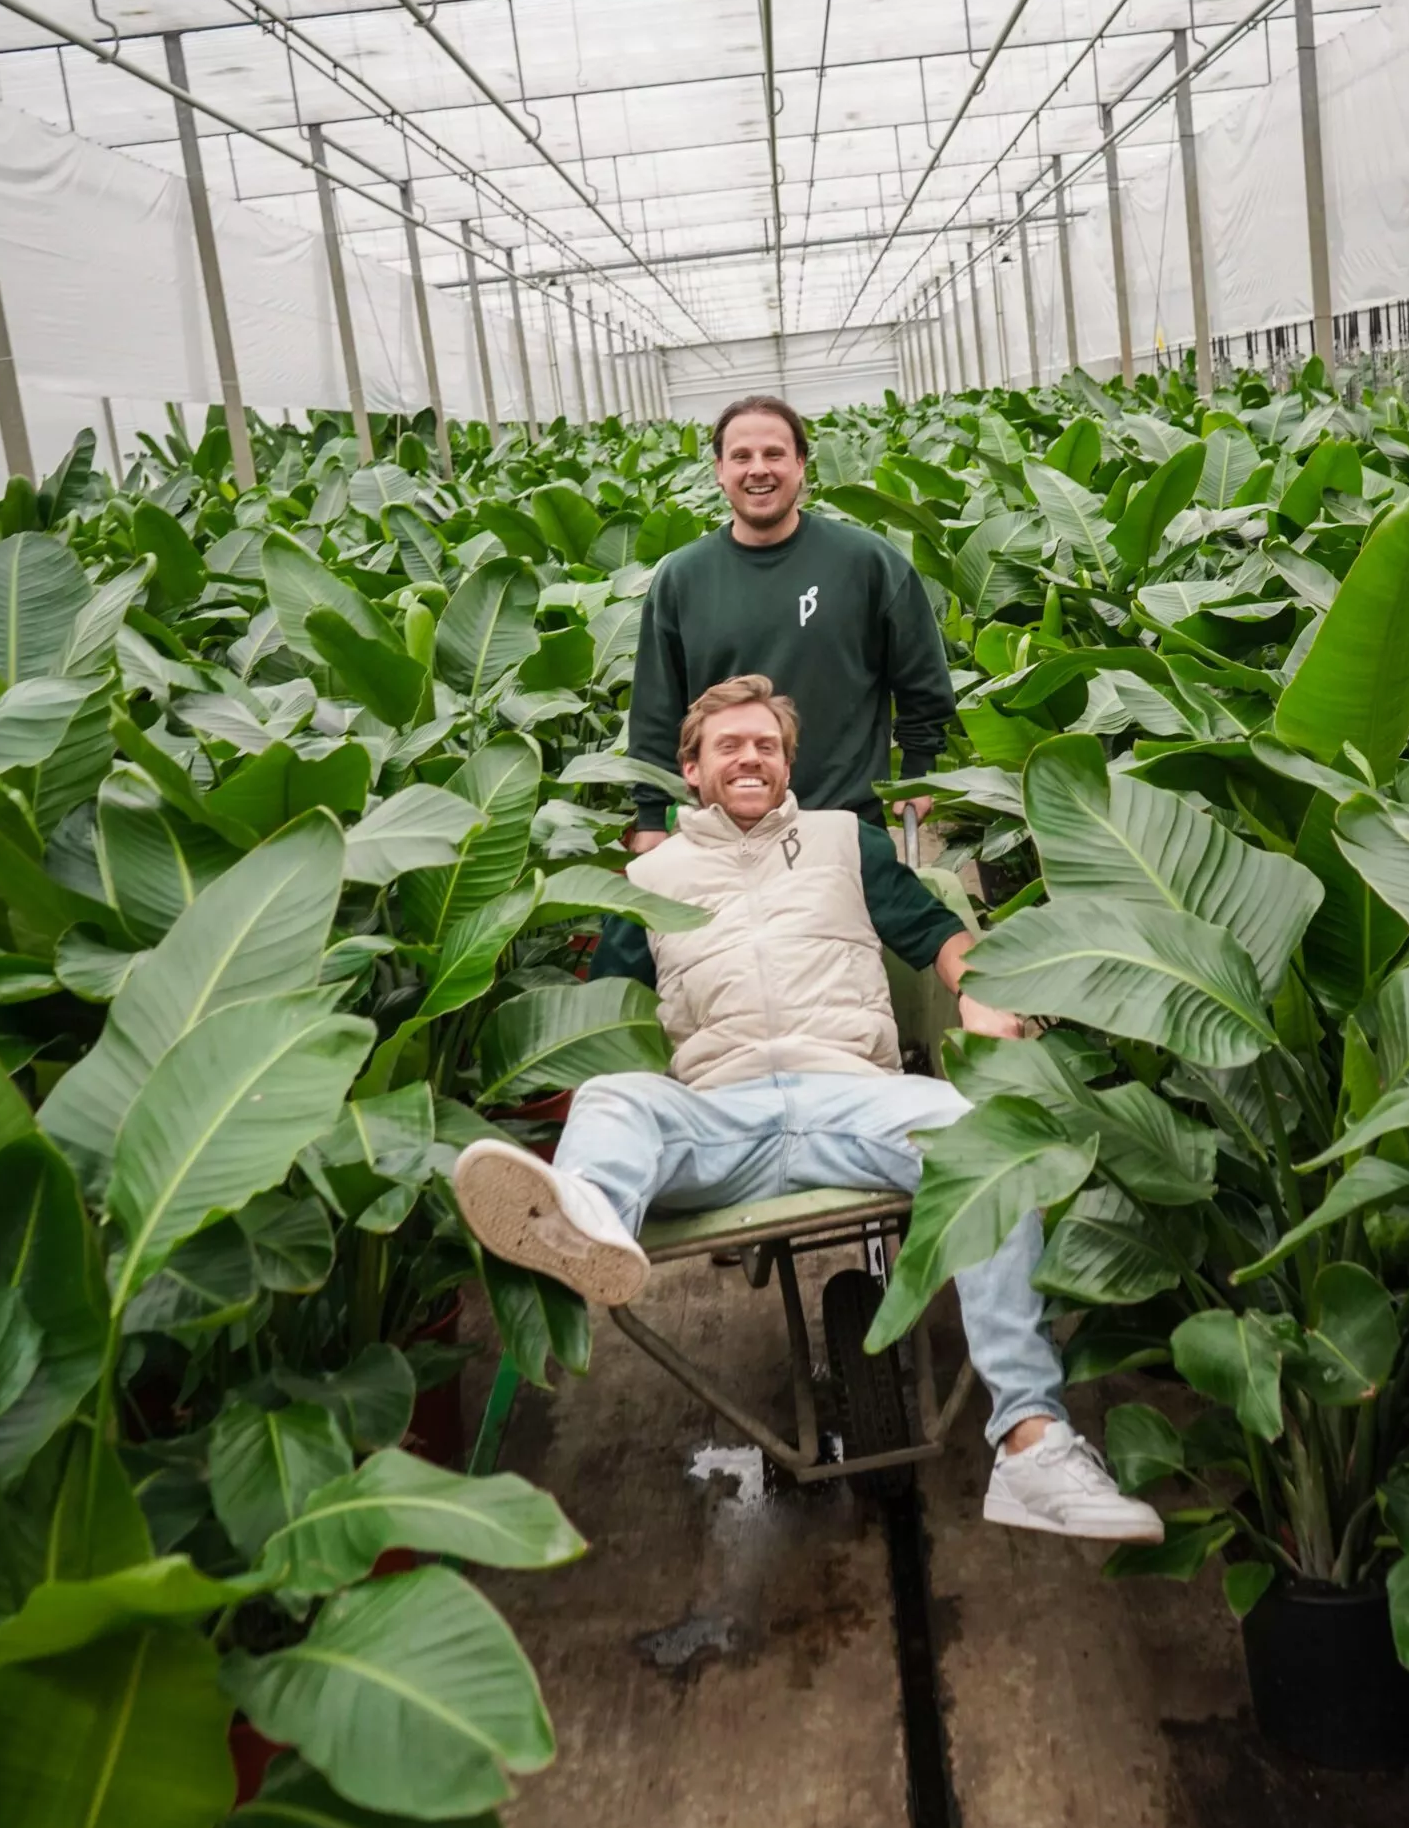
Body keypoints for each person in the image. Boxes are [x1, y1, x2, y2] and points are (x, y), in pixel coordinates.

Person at [456, 676, 1163, 1544]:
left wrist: (983, 996)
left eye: (766, 745)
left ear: (787, 763)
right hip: (719, 1112)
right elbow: (593, 1016)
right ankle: (589, 1220)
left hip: (854, 1099)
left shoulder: (845, 843)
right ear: (692, 769)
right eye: (729, 745)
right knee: (613, 1099)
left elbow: (937, 936)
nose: (749, 757)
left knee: (989, 1147)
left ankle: (1032, 1445)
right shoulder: (647, 878)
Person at [624, 395, 955, 855]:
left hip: (843, 824)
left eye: (774, 454)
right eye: (741, 456)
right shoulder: (683, 577)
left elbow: (922, 680)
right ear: (720, 470)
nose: (758, 469)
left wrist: (918, 769)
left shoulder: (867, 562)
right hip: (722, 833)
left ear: (801, 464)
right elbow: (656, 708)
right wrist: (650, 814)